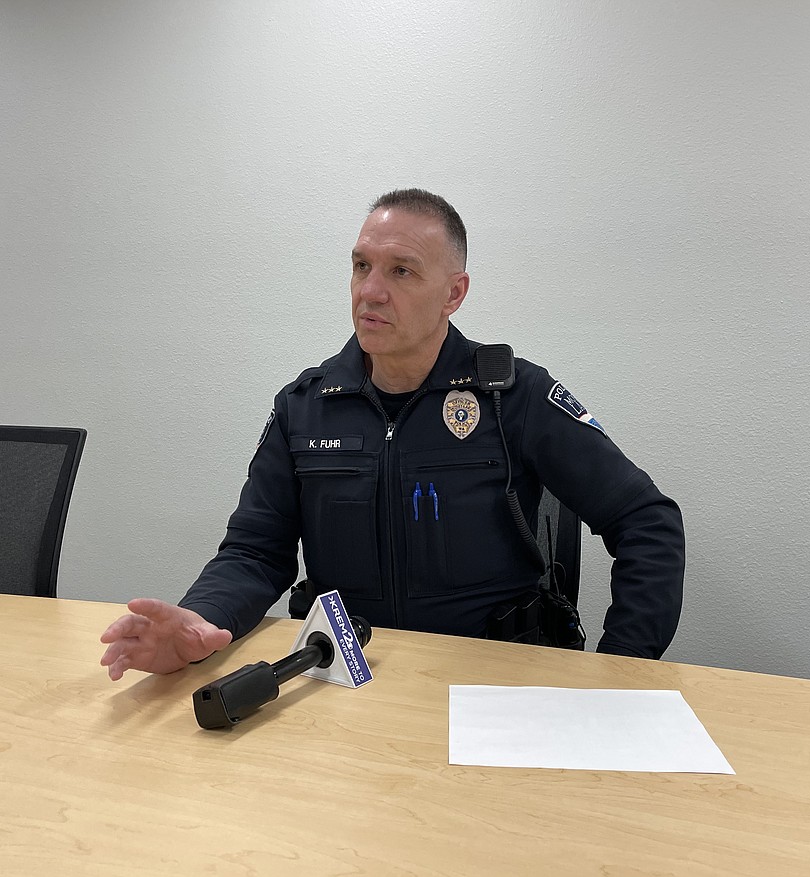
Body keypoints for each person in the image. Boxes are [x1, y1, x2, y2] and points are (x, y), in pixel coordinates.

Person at [100, 189, 685, 681]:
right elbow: (255, 551)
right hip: (347, 676)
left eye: (400, 271)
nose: (371, 291)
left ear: (454, 293)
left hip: (490, 683)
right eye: (361, 266)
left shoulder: (514, 397)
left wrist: (625, 673)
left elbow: (646, 521)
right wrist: (201, 622)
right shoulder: (304, 407)